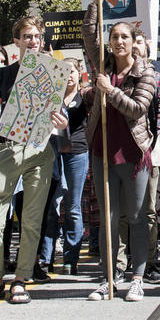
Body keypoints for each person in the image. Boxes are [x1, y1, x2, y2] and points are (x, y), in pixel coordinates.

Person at [0, 18, 68, 305]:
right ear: (17, 41)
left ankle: (21, 279)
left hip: (39, 151)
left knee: (32, 219)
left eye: (36, 36)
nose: (32, 41)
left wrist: (61, 121)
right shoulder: (3, 75)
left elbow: (61, 114)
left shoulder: (53, 73)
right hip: (7, 151)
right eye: (26, 36)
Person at [80, 0, 157, 303]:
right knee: (108, 218)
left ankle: (137, 276)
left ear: (134, 41)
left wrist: (110, 91)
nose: (119, 41)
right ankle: (108, 277)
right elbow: (88, 32)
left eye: (125, 37)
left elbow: (138, 109)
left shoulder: (146, 73)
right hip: (102, 151)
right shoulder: (103, 64)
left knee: (137, 217)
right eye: (114, 36)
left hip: (134, 154)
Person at [131, 29, 160, 283]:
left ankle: (149, 259)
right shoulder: (117, 76)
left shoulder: (157, 78)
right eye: (129, 41)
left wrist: (151, 139)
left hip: (149, 152)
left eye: (138, 42)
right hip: (121, 153)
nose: (134, 46)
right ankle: (124, 261)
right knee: (126, 211)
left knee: (148, 210)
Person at [59, 58, 91, 276]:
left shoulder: (85, 97)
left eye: (72, 71)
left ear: (79, 73)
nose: (69, 75)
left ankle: (71, 259)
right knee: (52, 206)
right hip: (53, 152)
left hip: (77, 153)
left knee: (72, 207)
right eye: (64, 71)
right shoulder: (52, 96)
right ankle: (45, 257)